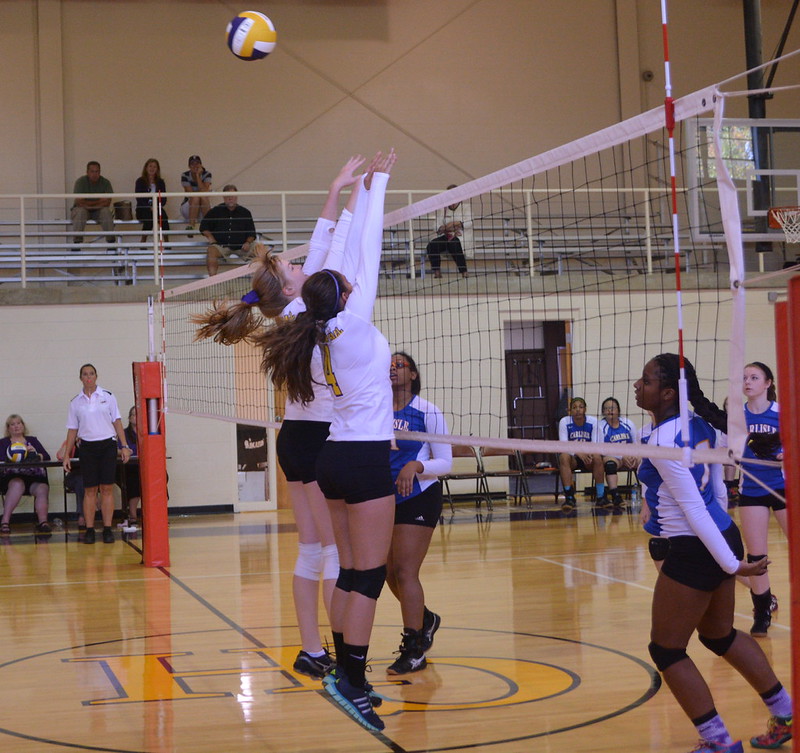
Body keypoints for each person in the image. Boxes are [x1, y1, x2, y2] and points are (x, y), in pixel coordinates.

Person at [192, 156, 369, 681]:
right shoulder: (303, 309)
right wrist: (357, 197)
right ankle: (336, 651)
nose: (299, 264)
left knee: (312, 549)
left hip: (295, 438)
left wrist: (337, 188)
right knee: (333, 550)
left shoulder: (290, 308)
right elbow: (332, 249)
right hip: (316, 440)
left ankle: (313, 649)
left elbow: (321, 244)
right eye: (293, 268)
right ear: (293, 288)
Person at [255, 149, 397, 733]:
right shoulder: (352, 323)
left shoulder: (311, 329)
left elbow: (341, 258)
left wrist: (356, 192)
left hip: (333, 453)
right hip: (358, 454)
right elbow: (360, 252)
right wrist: (375, 187)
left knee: (346, 568)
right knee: (364, 574)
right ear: (341, 297)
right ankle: (354, 680)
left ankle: (340, 668)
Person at [635, 353, 792, 753]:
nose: (638, 385)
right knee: (719, 635)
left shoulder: (663, 439)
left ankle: (719, 742)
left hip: (696, 546)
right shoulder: (701, 424)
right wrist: (729, 545)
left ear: (669, 392)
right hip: (721, 532)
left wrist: (730, 563)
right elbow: (720, 491)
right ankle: (786, 712)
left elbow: (693, 506)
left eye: (647, 380)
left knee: (666, 650)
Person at [385, 351, 451, 675]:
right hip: (384, 498)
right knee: (387, 573)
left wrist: (416, 465)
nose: (393, 369)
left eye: (400, 365)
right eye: (390, 366)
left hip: (420, 495)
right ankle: (425, 619)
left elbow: (446, 463)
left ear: (413, 374)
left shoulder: (428, 411)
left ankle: (414, 650)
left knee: (405, 571)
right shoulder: (377, 410)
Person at [736, 362, 785, 637]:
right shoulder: (736, 416)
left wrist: (785, 453)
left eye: (754, 377)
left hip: (784, 486)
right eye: (744, 378)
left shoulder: (782, 412)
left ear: (767, 383)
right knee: (756, 557)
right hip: (752, 489)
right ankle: (762, 611)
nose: (748, 382)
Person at [62, 364, 132, 544]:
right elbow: (72, 430)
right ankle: (90, 529)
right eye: (85, 374)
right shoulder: (75, 402)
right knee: (90, 490)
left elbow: (117, 421)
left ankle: (108, 529)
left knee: (107, 488)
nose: (88, 377)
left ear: (96, 376)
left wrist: (124, 445)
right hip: (87, 448)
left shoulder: (107, 396)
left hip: (107, 446)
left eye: (91, 373)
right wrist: (67, 454)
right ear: (81, 378)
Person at [0, 415, 51, 535]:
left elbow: (46, 456)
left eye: (19, 423)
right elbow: (1, 460)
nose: (16, 426)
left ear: (23, 425)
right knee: (18, 484)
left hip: (33, 478)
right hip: (11, 479)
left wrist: (36, 455)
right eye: (12, 424)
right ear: (8, 428)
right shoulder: (3, 443)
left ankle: (43, 522)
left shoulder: (32, 440)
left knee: (42, 488)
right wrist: (12, 456)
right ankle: (5, 521)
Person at [557, 397, 603, 513]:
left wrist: (585, 453)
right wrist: (578, 452)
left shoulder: (593, 422)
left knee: (597, 457)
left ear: (585, 409)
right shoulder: (564, 421)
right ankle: (569, 497)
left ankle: (601, 496)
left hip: (588, 457)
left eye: (581, 407)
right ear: (570, 410)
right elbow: (564, 444)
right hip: (574, 458)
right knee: (563, 456)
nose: (578, 410)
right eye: (574, 407)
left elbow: (595, 444)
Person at [199, 185, 257, 276]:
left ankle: (260, 281)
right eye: (227, 195)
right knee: (211, 251)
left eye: (232, 195)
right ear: (223, 197)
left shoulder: (245, 212)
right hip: (221, 247)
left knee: (260, 249)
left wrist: (247, 242)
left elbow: (252, 233)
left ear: (236, 196)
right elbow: (203, 227)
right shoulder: (216, 211)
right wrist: (211, 238)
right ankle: (212, 282)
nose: (230, 198)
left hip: (242, 247)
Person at [596, 396, 639, 509]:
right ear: (603, 412)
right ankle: (615, 496)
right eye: (606, 408)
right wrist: (621, 456)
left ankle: (648, 493)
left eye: (613, 408)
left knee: (645, 461)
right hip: (613, 457)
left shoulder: (627, 423)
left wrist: (633, 455)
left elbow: (636, 443)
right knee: (609, 463)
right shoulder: (600, 426)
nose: (610, 411)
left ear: (618, 410)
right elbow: (601, 449)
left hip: (630, 456)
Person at [426, 185, 472, 278]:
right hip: (445, 236)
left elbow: (469, 222)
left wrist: (456, 223)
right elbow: (435, 225)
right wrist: (443, 228)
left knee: (454, 243)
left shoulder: (466, 207)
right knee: (432, 245)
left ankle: (464, 271)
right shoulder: (442, 209)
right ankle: (437, 272)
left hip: (459, 237)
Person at [71, 161, 115, 250]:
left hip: (98, 211)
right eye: (92, 171)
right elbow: (79, 202)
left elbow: (107, 202)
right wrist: (99, 201)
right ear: (87, 172)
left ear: (100, 172)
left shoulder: (105, 182)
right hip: (83, 210)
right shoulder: (80, 182)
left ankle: (111, 243)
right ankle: (77, 243)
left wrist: (87, 204)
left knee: (106, 212)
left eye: (97, 171)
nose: (95, 174)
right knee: (80, 211)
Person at [116, 406, 141, 528]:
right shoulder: (124, 434)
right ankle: (133, 515)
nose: (137, 417)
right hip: (129, 466)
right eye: (134, 415)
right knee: (134, 479)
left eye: (139, 414)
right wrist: (125, 451)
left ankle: (159, 514)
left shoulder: (147, 433)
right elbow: (119, 449)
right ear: (130, 418)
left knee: (162, 477)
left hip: (144, 466)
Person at [134, 158, 169, 244]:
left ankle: (167, 241)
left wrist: (156, 206)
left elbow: (163, 198)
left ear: (157, 169)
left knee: (163, 217)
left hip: (157, 208)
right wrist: (149, 207)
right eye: (150, 166)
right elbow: (139, 198)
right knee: (149, 218)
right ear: (146, 168)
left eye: (154, 167)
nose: (152, 168)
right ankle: (143, 241)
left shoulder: (160, 182)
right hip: (143, 209)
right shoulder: (140, 181)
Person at [180, 155, 212, 231]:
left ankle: (207, 227)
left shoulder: (207, 174)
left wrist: (198, 176)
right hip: (188, 208)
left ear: (201, 165)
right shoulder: (185, 175)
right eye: (192, 164)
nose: (195, 166)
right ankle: (191, 225)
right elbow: (191, 194)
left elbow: (204, 192)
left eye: (197, 163)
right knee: (196, 197)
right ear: (189, 166)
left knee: (203, 197)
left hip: (203, 208)